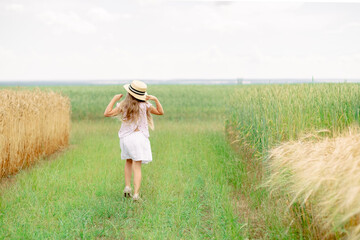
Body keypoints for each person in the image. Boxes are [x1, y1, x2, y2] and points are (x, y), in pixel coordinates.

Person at [104, 80, 164, 201]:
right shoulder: (145, 105)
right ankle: (136, 194)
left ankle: (127, 187)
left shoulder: (123, 105)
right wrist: (155, 99)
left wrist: (114, 99)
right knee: (137, 166)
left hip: (126, 138)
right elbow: (160, 112)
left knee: (128, 162)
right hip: (138, 138)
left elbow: (107, 113)